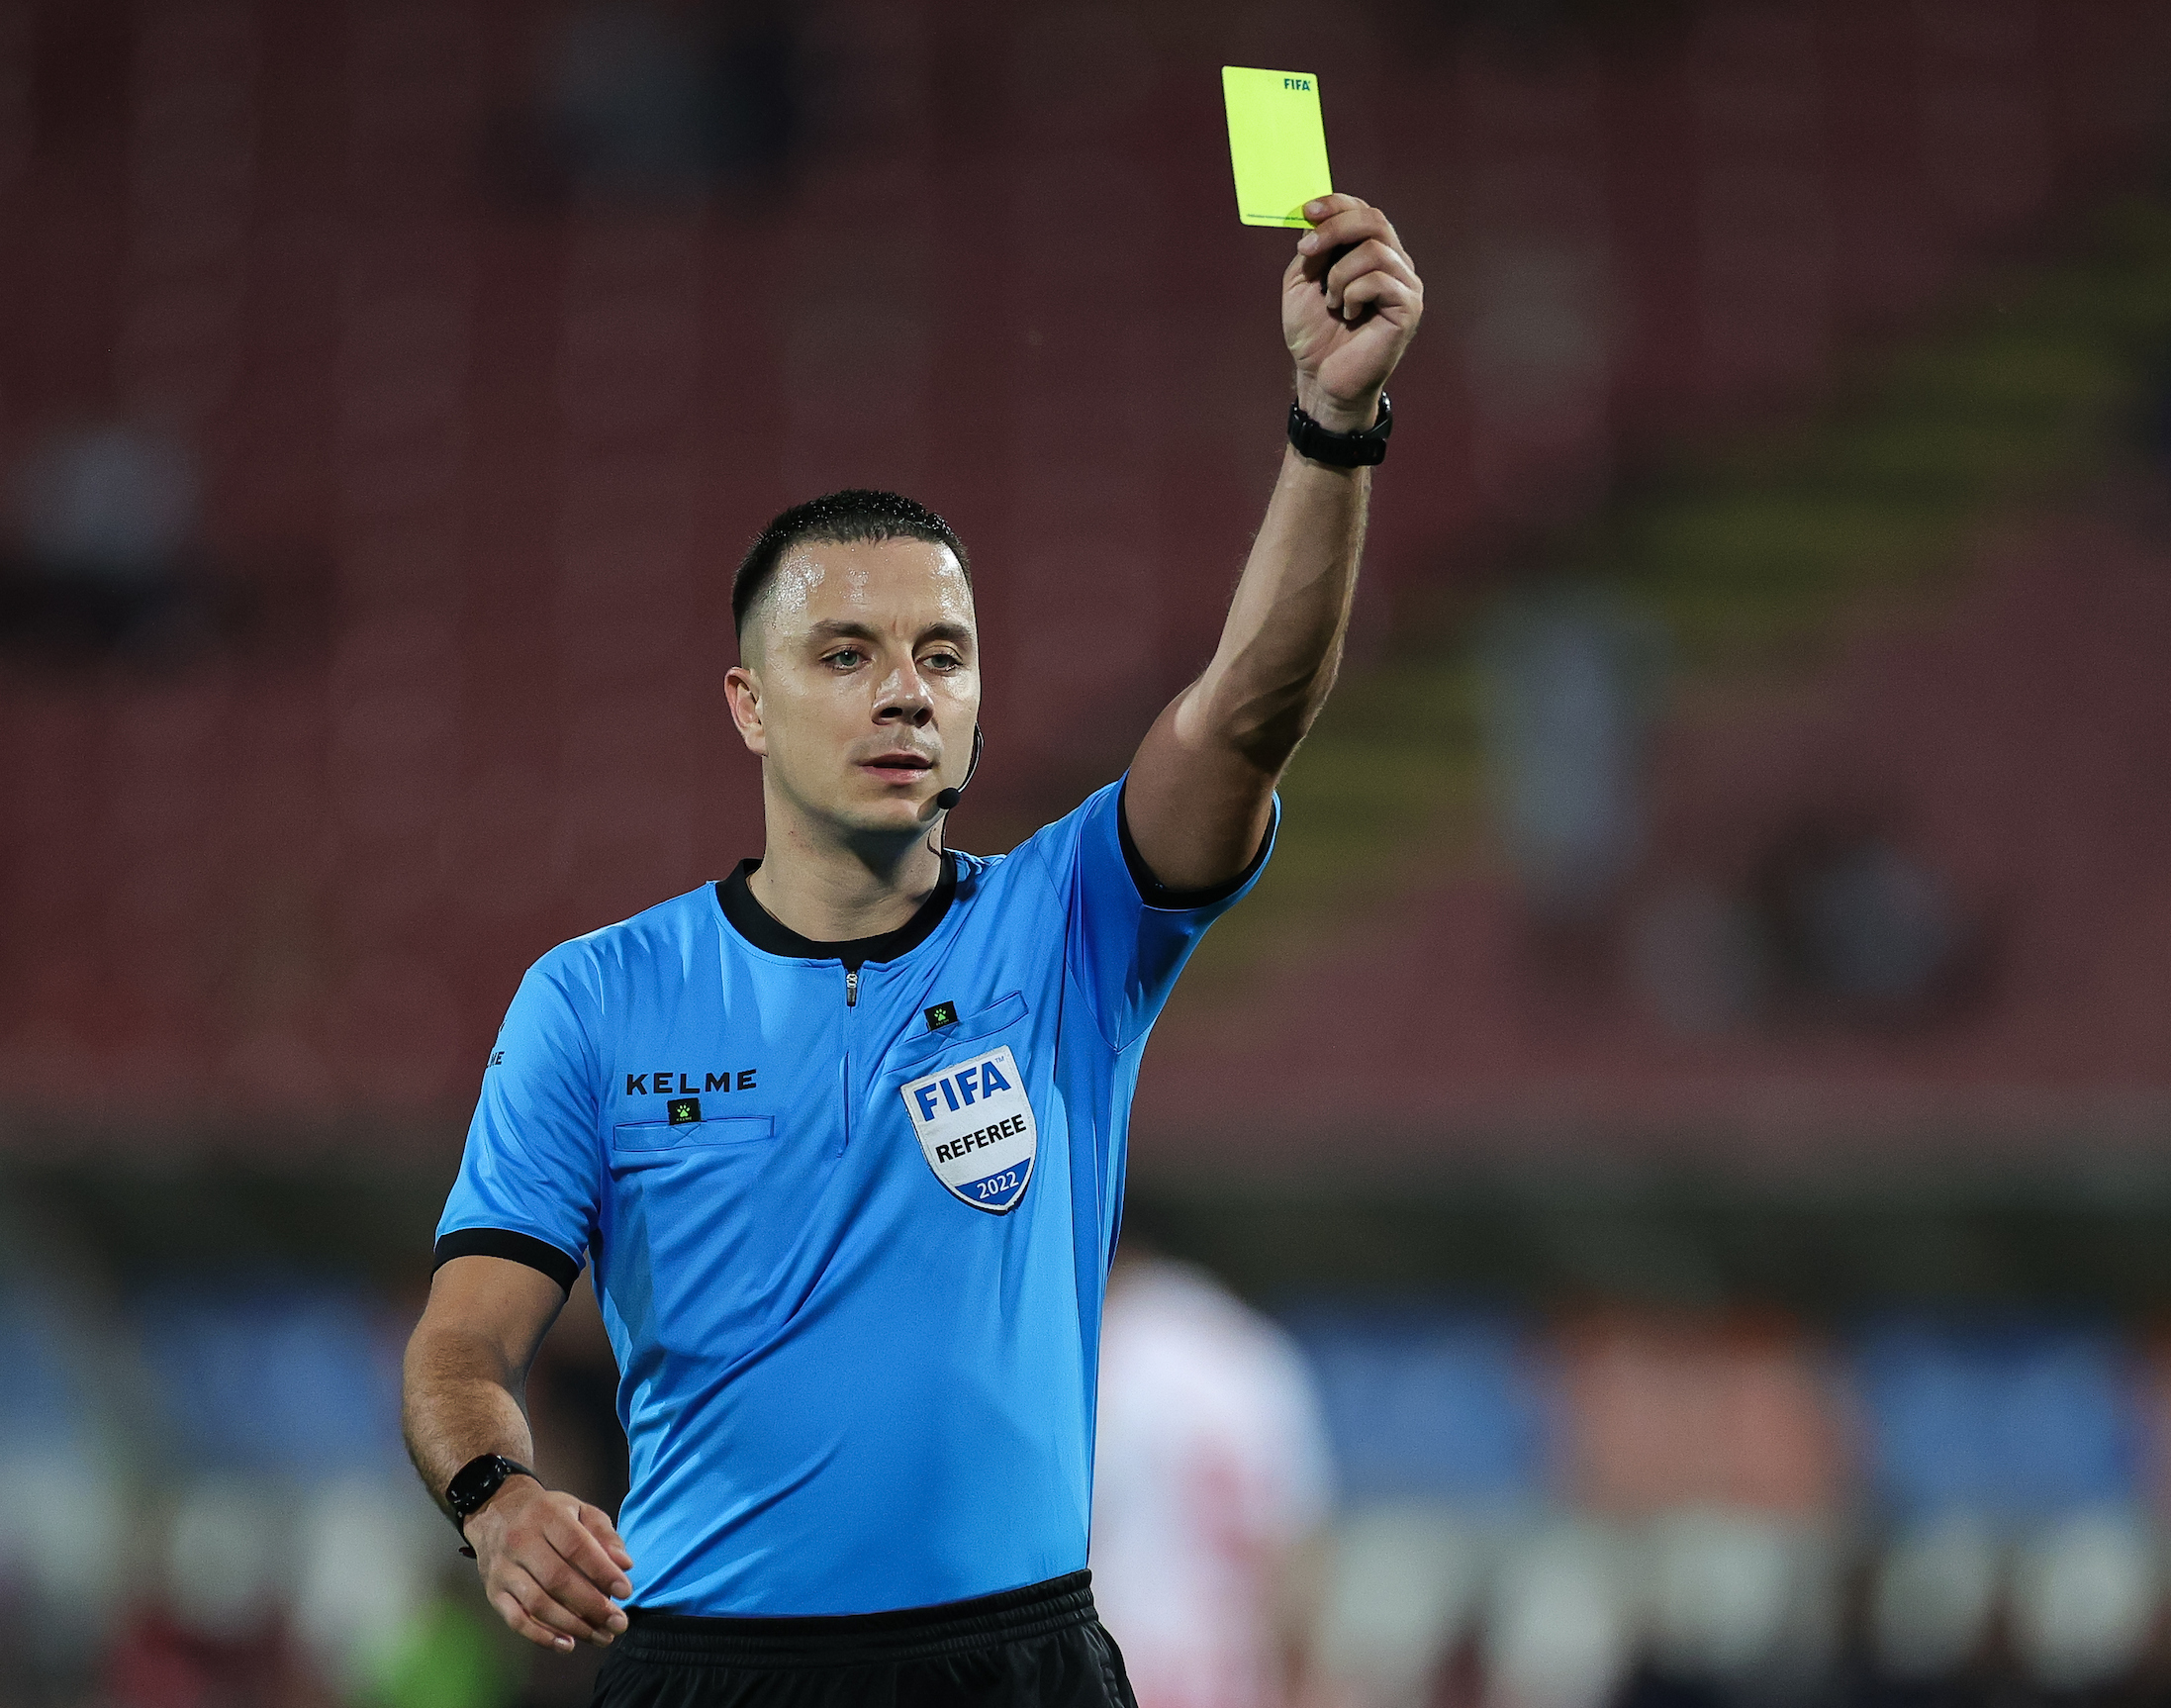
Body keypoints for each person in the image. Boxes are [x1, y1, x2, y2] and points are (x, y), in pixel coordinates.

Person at [399, 191, 1424, 1708]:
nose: (904, 693)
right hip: (707, 1672)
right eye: (845, 654)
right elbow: (460, 1343)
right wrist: (496, 1498)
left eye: (942, 656)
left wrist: (1332, 428)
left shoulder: (1072, 921)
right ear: (748, 702)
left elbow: (1248, 708)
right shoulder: (597, 998)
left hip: (1017, 1664)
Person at [1091, 1244, 1334, 1708]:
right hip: (1233, 1680)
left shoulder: (1110, 1346)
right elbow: (1301, 1561)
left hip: (1121, 1675)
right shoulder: (1256, 1354)